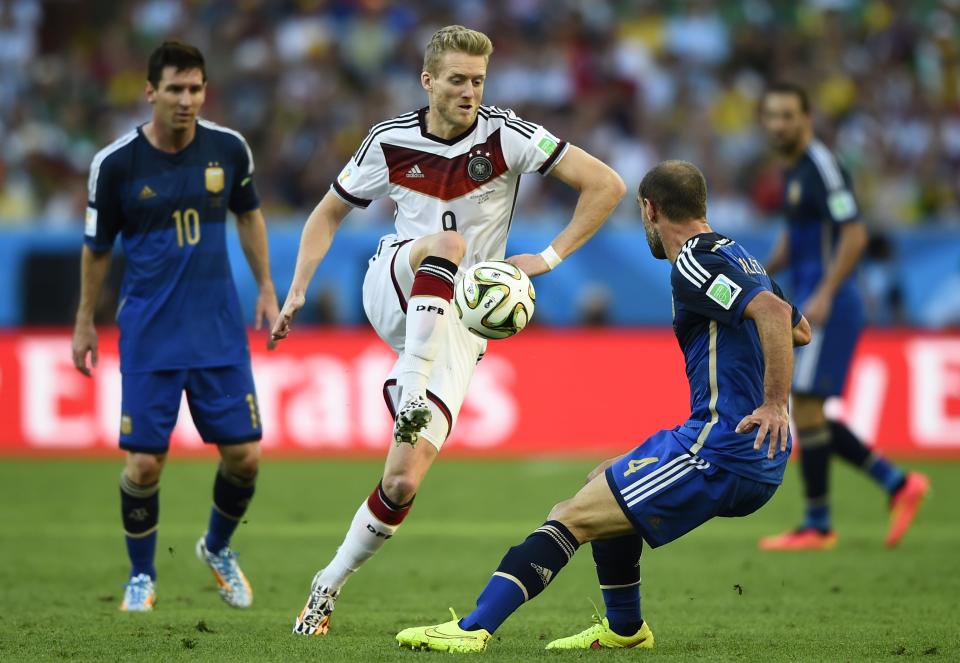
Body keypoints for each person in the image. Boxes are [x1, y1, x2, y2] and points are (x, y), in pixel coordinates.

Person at [270, 24, 626, 636]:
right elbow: (327, 212)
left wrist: (548, 257)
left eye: (478, 81)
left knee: (403, 480)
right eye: (457, 79)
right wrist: (298, 287)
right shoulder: (389, 140)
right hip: (398, 281)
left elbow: (608, 184)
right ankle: (409, 386)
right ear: (428, 80)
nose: (469, 91)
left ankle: (325, 587)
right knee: (448, 243)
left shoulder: (507, 135)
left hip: (461, 324)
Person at [395, 160, 811, 653]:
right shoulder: (743, 257)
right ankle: (626, 630)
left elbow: (774, 313)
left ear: (649, 209)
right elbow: (799, 329)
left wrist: (772, 404)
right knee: (604, 482)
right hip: (739, 448)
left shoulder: (694, 260)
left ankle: (470, 631)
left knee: (568, 516)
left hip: (720, 448)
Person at [71, 41, 279, 612]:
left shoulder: (228, 149)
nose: (186, 100)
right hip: (150, 333)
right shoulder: (115, 164)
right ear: (151, 92)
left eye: (195, 89)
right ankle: (141, 576)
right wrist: (85, 321)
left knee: (246, 457)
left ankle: (216, 548)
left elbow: (250, 214)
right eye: (175, 89)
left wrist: (265, 287)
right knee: (144, 463)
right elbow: (96, 249)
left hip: (217, 330)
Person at [757, 82, 929, 551]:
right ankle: (895, 484)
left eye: (787, 115)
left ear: (806, 118)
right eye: (771, 116)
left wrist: (828, 292)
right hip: (811, 298)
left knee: (806, 407)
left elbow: (853, 234)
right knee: (809, 409)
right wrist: (757, 274)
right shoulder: (794, 171)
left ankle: (820, 523)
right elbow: (795, 240)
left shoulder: (823, 167)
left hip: (828, 303)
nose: (777, 125)